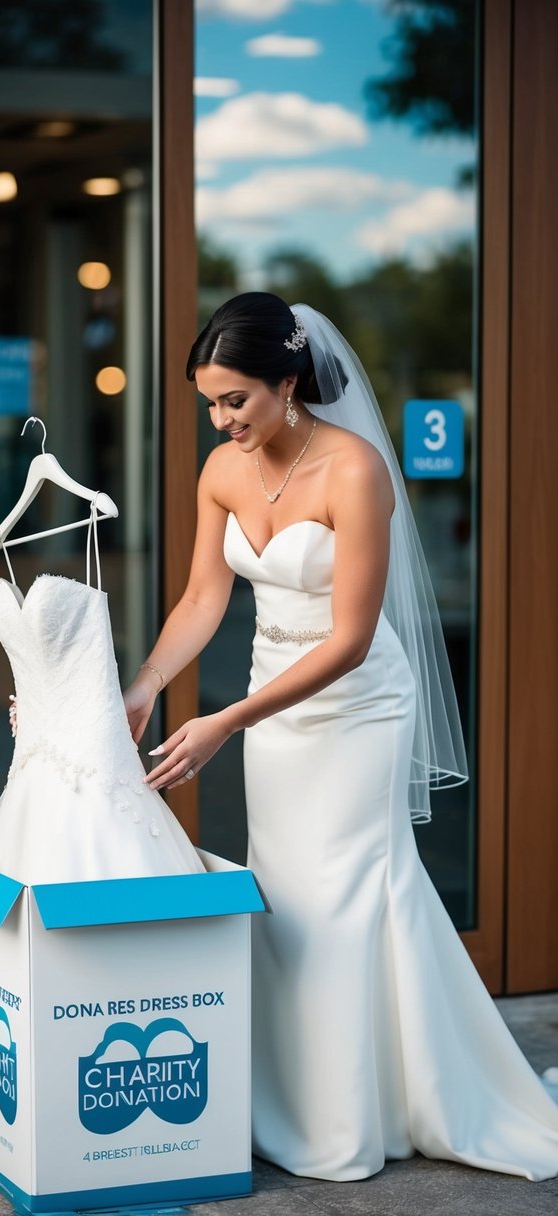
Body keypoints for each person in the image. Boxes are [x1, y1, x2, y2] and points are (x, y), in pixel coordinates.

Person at [122, 293, 558, 1182]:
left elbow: (351, 640)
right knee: (288, 899)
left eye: (236, 399)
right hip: (267, 706)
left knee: (350, 893)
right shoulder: (220, 472)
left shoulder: (353, 470)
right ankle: (298, 1099)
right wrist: (145, 684)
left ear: (287, 383)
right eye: (209, 402)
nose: (221, 419)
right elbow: (205, 600)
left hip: (356, 707)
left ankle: (359, 1117)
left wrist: (222, 723)